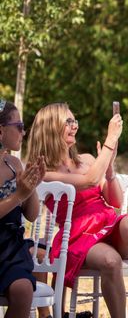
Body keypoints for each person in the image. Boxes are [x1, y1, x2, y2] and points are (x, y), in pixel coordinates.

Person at [24, 103, 128, 318]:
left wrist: (110, 171)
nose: (74, 127)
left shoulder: (88, 160)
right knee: (110, 261)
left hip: (108, 224)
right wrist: (110, 142)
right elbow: (88, 181)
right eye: (68, 122)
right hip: (77, 236)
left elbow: (115, 202)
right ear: (51, 126)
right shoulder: (43, 170)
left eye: (75, 121)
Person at [0, 99, 46, 318]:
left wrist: (32, 186)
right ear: (1, 131)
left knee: (23, 288)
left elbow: (32, 215)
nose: (23, 131)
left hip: (10, 247)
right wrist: (18, 194)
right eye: (19, 126)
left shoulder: (14, 164)